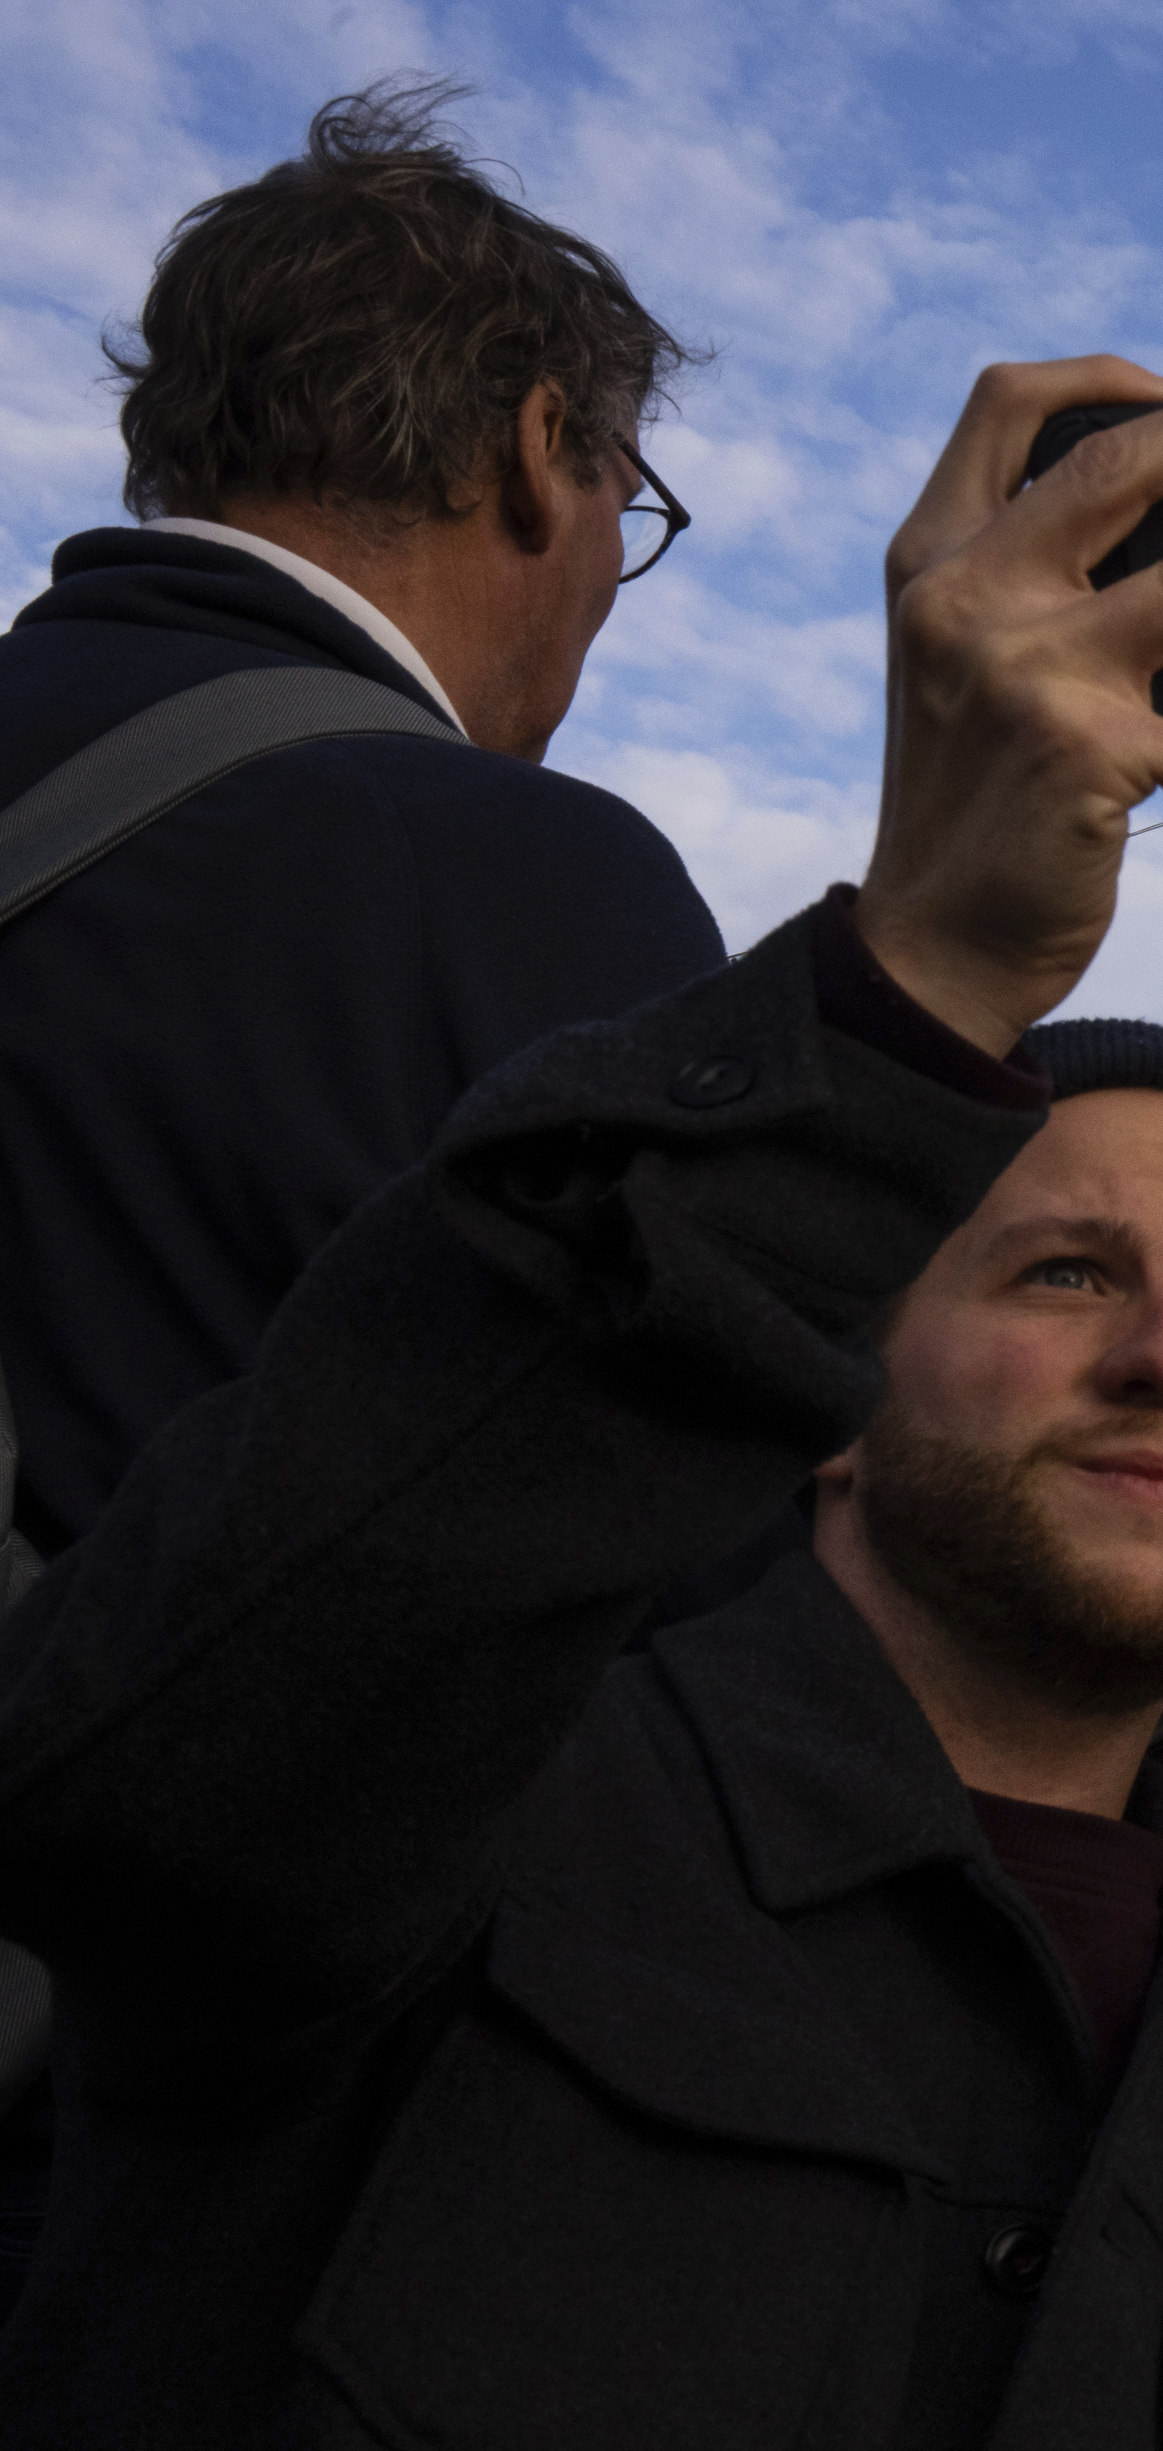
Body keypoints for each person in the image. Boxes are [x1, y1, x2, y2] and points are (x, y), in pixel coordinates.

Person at [0, 357, 1163, 2451]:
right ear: (830, 1384)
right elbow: (164, 1766)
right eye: (1065, 1268)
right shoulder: (460, 1834)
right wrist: (924, 982)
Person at [0, 77, 723, 2328]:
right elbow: (713, 1589)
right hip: (155, 2207)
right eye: (633, 500)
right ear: (538, 455)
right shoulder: (519, 878)